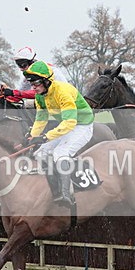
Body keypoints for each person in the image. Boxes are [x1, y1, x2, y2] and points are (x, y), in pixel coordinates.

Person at [24, 60, 94, 207]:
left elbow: (70, 122)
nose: (33, 88)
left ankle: (66, 193)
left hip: (82, 125)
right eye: (32, 84)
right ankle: (55, 191)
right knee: (41, 153)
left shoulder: (62, 91)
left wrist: (45, 137)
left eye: (36, 83)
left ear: (46, 81)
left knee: (60, 152)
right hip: (67, 125)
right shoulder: (40, 96)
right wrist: (33, 136)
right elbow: (41, 118)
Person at [0, 46, 66, 105]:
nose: (21, 69)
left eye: (23, 65)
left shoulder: (45, 71)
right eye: (18, 65)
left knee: (28, 104)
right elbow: (19, 95)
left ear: (31, 62)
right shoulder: (30, 75)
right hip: (49, 99)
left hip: (61, 99)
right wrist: (5, 94)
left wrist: (13, 92)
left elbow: (38, 92)